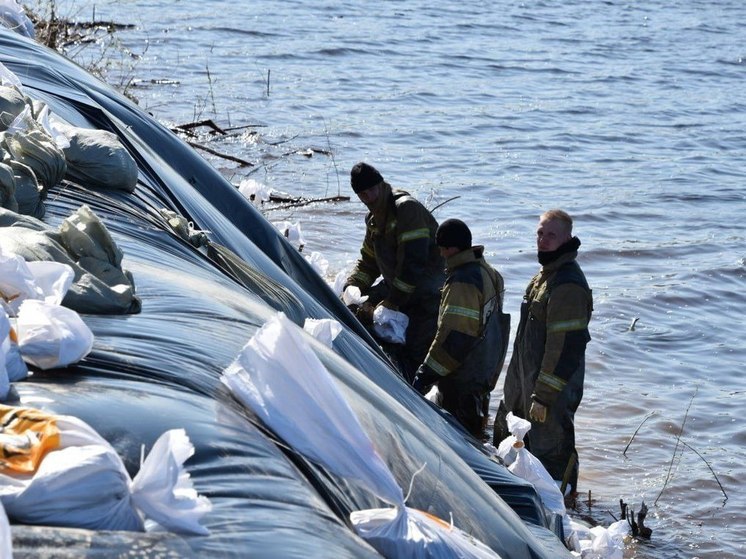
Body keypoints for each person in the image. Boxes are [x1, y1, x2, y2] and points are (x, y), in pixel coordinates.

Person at [494, 209, 593, 496]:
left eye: (551, 235)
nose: (543, 240)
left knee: (552, 452)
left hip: (551, 390)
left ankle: (564, 507)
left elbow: (565, 348)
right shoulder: (545, 276)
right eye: (540, 233)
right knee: (515, 441)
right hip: (528, 383)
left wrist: (544, 396)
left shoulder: (568, 285)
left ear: (567, 239)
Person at [344, 162, 445, 383]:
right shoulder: (373, 220)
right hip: (400, 291)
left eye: (371, 190)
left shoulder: (406, 209)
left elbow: (413, 263)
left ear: (381, 184)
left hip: (428, 297)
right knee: (354, 313)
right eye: (362, 194)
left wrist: (392, 302)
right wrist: (353, 286)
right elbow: (369, 261)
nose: (368, 197)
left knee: (415, 358)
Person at [412, 218, 508, 439]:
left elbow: (455, 338)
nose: (441, 254)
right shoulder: (488, 272)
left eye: (442, 249)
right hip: (482, 374)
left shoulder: (463, 281)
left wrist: (424, 375)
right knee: (475, 435)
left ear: (450, 248)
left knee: (458, 442)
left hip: (462, 380)